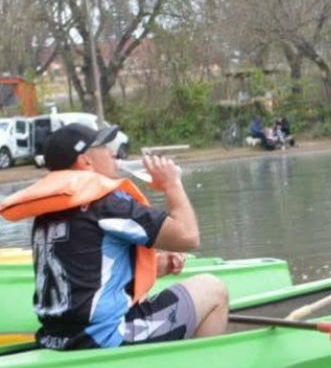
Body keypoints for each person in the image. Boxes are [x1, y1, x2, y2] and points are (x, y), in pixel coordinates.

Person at [0, 124, 228, 350]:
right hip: (103, 338)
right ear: (86, 161)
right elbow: (188, 237)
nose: (113, 152)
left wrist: (152, 265)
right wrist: (172, 184)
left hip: (57, 339)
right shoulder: (108, 204)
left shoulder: (46, 212)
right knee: (213, 289)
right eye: (104, 146)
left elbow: (83, 274)